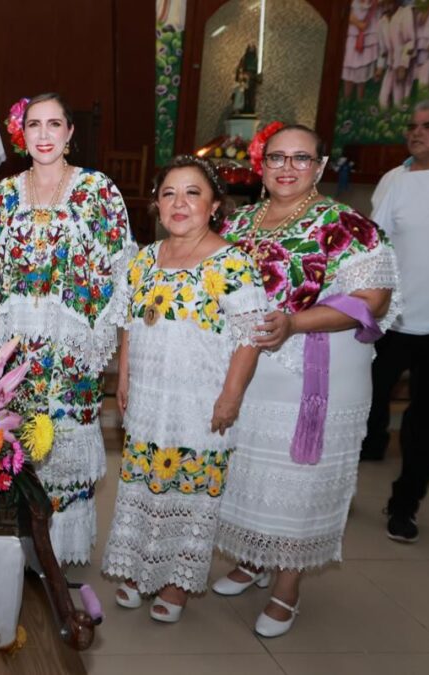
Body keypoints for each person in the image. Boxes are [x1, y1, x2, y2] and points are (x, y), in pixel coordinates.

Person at [212, 123, 398, 638]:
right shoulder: (239, 222)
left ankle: (286, 588)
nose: (287, 168)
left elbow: (371, 301)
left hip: (313, 376)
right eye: (277, 158)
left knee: (298, 482)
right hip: (247, 374)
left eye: (300, 159)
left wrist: (294, 321)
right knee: (245, 472)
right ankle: (252, 559)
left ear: (319, 166)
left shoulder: (349, 226)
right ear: (261, 164)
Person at [102, 156, 264, 623]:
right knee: (145, 484)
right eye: (169, 193)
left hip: (201, 399)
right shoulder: (144, 259)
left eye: (193, 193)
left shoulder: (231, 261)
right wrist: (125, 377)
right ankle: (138, 569)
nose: (179, 203)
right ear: (155, 204)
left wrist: (231, 396)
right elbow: (132, 324)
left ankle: (175, 583)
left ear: (214, 205)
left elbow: (250, 336)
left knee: (190, 491)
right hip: (151, 397)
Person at [0, 93, 136, 565]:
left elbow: (120, 269)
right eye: (34, 125)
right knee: (17, 441)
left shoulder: (99, 191)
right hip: (16, 349)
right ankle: (19, 553)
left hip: (71, 350)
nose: (43, 135)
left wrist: (104, 339)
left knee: (65, 442)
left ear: (70, 133)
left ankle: (60, 553)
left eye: (54, 124)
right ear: (21, 134)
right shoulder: (5, 193)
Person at [361, 100, 429, 543]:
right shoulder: (396, 182)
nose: (417, 132)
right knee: (363, 408)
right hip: (390, 320)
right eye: (413, 125)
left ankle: (404, 505)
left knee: (425, 423)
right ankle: (342, 485)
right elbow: (373, 248)